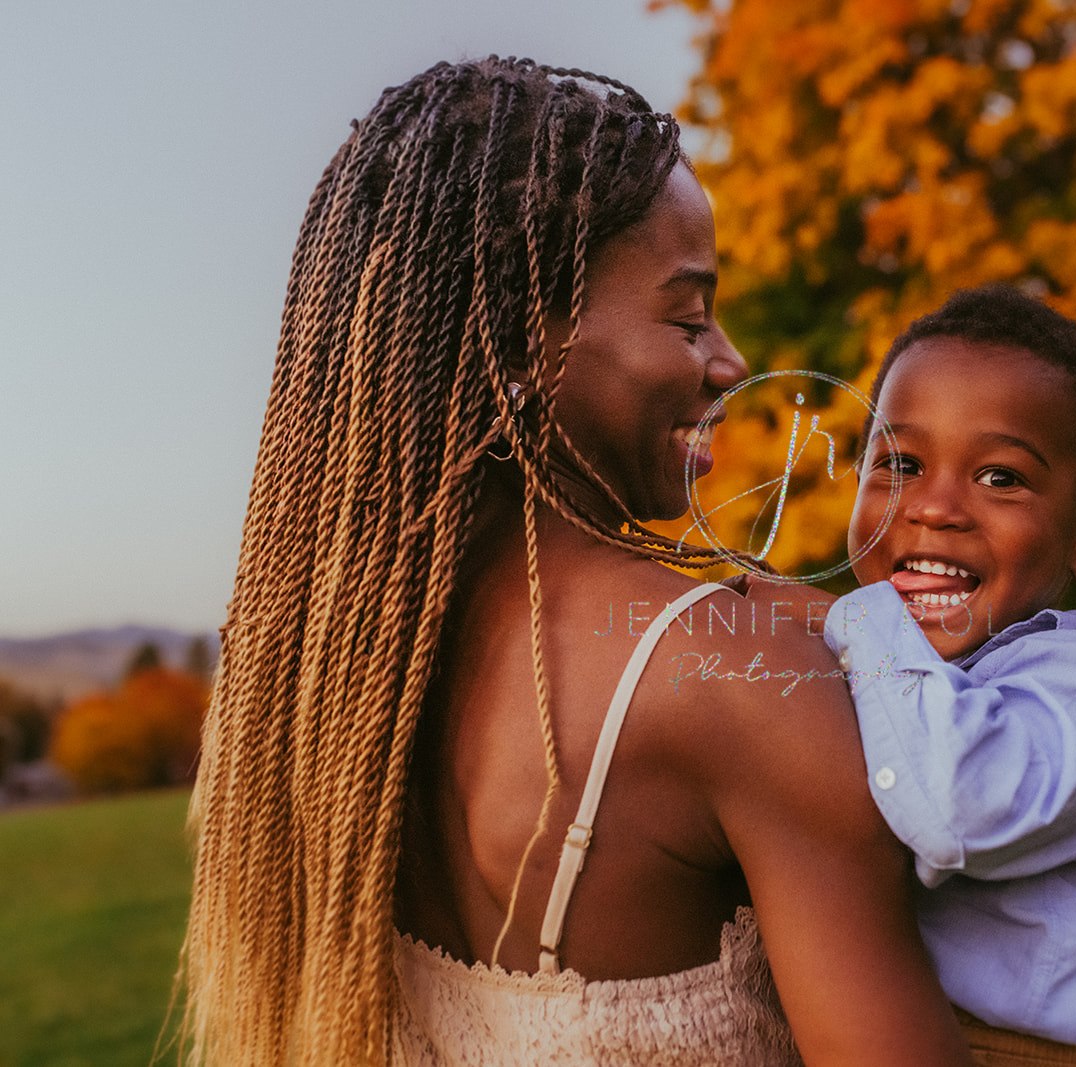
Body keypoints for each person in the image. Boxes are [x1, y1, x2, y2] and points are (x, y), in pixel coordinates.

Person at [178, 58, 973, 1066]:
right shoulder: (734, 681)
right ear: (517, 343)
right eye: (686, 316)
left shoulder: (316, 676)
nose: (729, 360)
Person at [823, 286, 1076, 1065]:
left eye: (1001, 477)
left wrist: (856, 615)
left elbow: (954, 807)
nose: (935, 507)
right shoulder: (867, 668)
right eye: (901, 463)